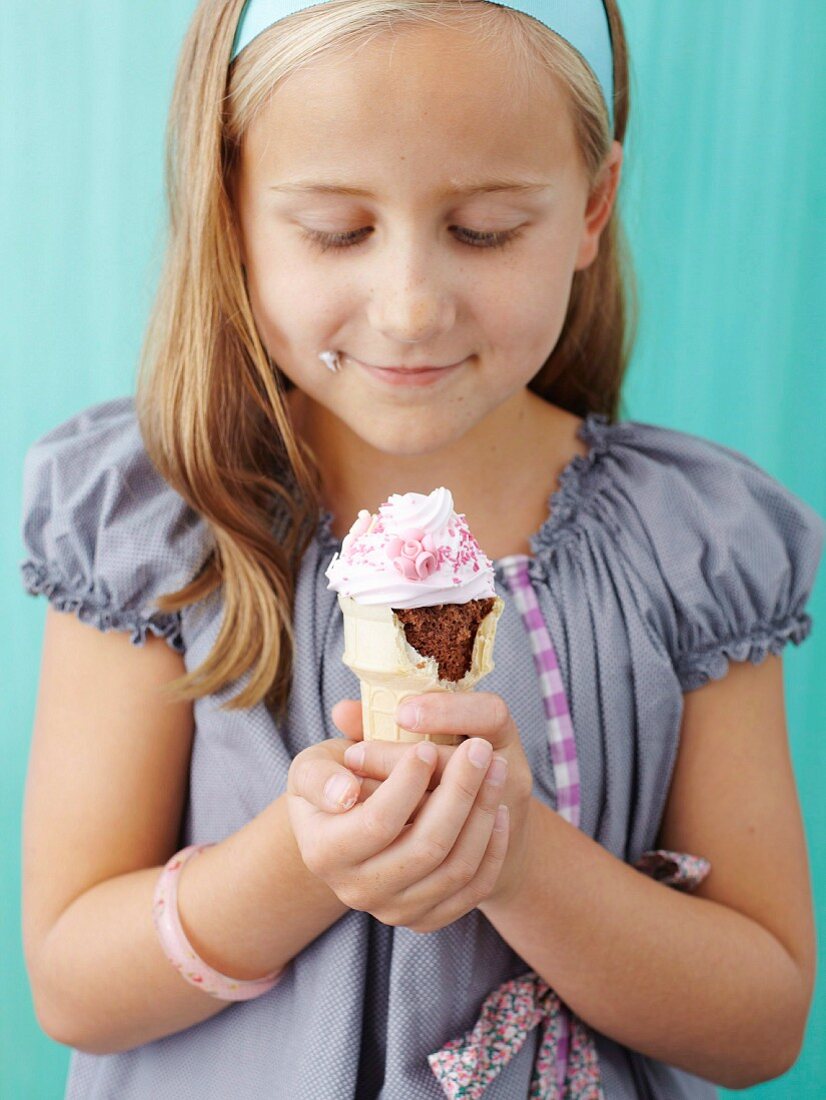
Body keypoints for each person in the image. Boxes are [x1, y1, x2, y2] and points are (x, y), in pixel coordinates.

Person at [18, 0, 825, 1096]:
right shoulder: (164, 522)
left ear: (591, 207)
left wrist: (520, 858)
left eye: (485, 229)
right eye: (338, 230)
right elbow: (72, 981)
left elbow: (762, 1021)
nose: (408, 308)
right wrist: (303, 860)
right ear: (231, 208)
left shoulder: (687, 547)